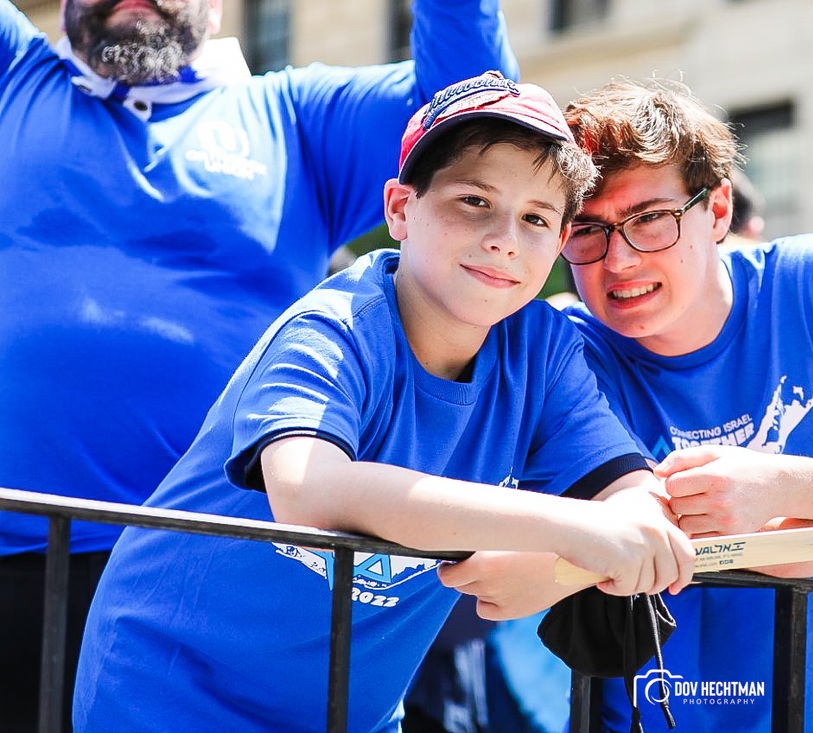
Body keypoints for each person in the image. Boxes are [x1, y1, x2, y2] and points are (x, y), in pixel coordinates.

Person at [0, 0, 515, 728]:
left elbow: (472, 115)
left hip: (222, 567)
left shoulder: (295, 118)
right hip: (14, 550)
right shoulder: (18, 82)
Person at [71, 73, 694, 733]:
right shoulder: (337, 323)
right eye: (475, 200)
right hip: (174, 692)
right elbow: (309, 492)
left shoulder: (541, 349)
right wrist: (571, 530)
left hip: (351, 711)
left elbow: (631, 494)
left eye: (537, 218)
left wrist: (561, 565)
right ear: (400, 207)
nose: (506, 237)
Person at [442, 79, 813, 733]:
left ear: (719, 210)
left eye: (650, 217)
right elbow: (489, 566)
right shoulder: (556, 347)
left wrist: (780, 483)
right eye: (587, 229)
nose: (618, 258)